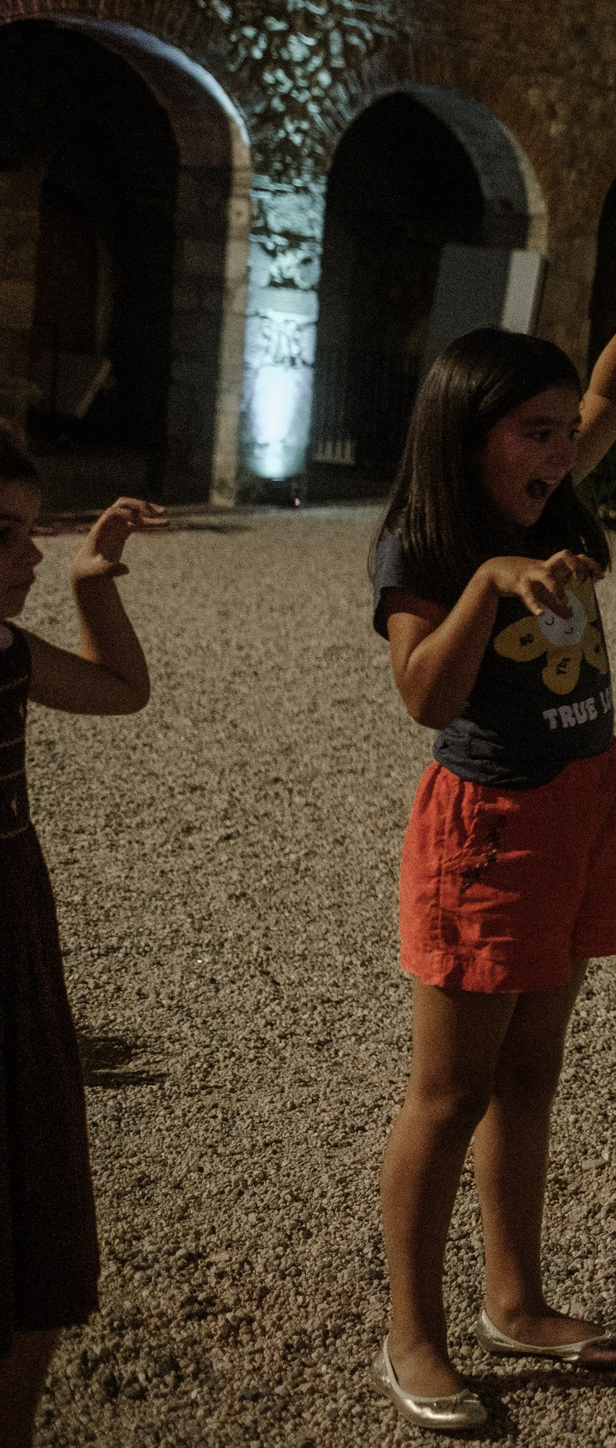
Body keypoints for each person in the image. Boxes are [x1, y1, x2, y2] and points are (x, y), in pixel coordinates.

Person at [369, 309, 616, 1433]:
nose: (560, 448)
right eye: (535, 431)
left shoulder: (552, 487)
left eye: (562, 431)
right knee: (450, 1093)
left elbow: (610, 399)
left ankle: (514, 1300)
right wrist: (487, 584)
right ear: (467, 434)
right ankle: (411, 1333)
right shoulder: (425, 545)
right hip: (491, 822)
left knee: (530, 1075)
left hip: (586, 801)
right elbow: (424, 697)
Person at [0, 442, 162, 1448]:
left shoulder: (9, 653)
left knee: (41, 1207)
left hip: (13, 937)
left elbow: (120, 687)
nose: (25, 553)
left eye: (30, 529)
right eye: (1, 533)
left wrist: (91, 581)